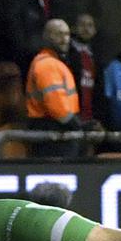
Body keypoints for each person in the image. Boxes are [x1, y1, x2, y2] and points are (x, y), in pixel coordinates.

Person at [25, 19, 85, 158]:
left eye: (67, 34)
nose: (64, 39)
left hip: (58, 129)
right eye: (58, 34)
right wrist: (77, 125)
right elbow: (57, 106)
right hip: (53, 132)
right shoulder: (48, 64)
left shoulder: (54, 62)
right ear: (46, 36)